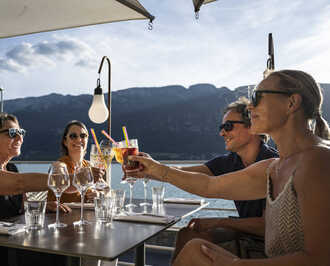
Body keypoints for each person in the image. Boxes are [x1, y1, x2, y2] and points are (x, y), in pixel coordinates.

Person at [125, 70, 330, 265]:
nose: (250, 107)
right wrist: (154, 170)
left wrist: (236, 264)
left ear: (291, 103)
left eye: (257, 97)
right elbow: (209, 186)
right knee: (194, 247)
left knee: (195, 251)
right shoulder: (275, 167)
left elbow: (320, 260)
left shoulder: (317, 162)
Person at [172, 97, 278, 261]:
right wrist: (149, 167)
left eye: (228, 126)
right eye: (222, 127)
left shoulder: (273, 164)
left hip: (268, 247)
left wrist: (219, 222)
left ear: (252, 127)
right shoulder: (229, 162)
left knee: (196, 247)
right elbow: (182, 172)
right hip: (246, 234)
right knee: (188, 233)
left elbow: (267, 227)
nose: (222, 132)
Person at [0, 113, 68, 266]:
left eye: (21, 132)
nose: (19, 138)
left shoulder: (11, 168)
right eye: (12, 133)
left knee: (60, 252)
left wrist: (42, 206)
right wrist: (65, 179)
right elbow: (19, 183)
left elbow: (20, 203)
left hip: (7, 245)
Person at [46, 120, 105, 212]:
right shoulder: (60, 165)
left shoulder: (89, 165)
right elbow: (60, 184)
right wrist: (85, 177)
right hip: (60, 217)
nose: (78, 139)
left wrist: (97, 194)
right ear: (65, 141)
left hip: (83, 217)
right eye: (73, 136)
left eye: (83, 136)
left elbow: (105, 189)